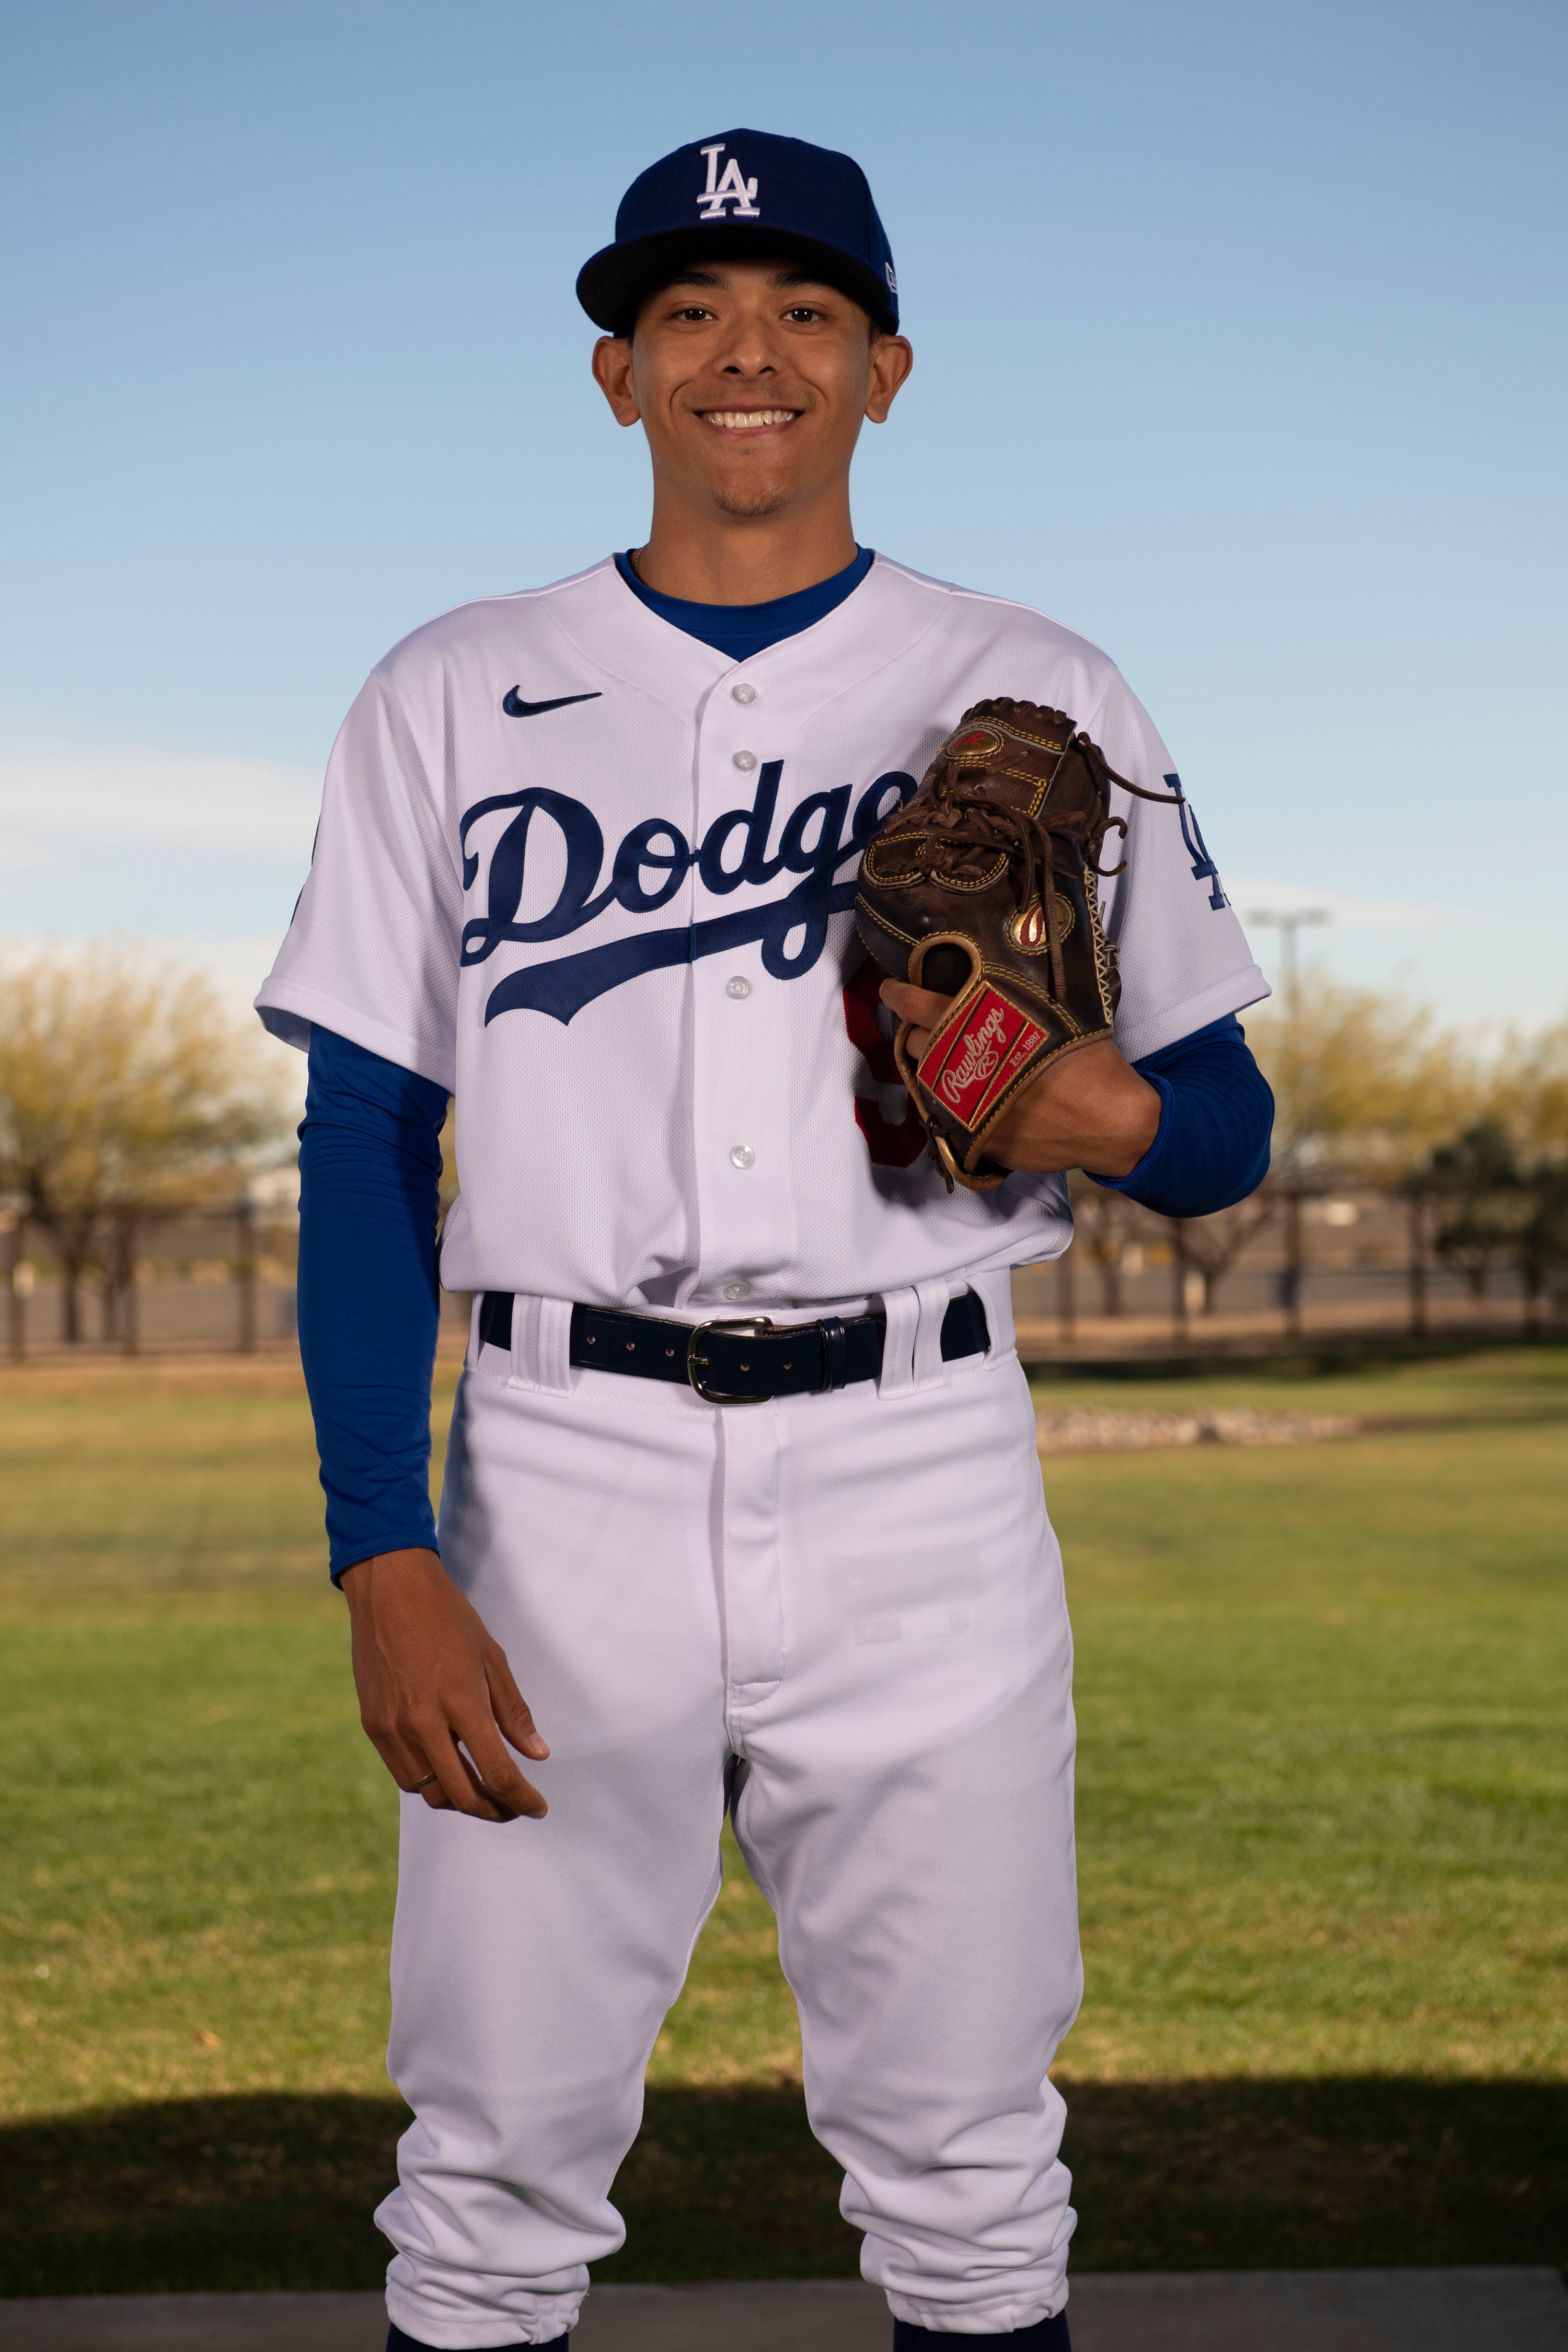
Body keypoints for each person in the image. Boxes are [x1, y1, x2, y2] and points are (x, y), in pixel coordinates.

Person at [257, 128, 1272, 2352]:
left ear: (887, 368)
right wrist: (378, 1541)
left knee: (975, 2162)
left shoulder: (1045, 680)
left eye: (805, 310)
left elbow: (1224, 1134)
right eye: (691, 313)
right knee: (491, 2173)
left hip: (922, 1462)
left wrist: (1109, 1109)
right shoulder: (449, 684)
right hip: (554, 1471)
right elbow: (364, 1140)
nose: (749, 351)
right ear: (617, 376)